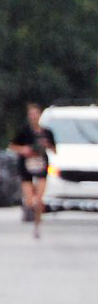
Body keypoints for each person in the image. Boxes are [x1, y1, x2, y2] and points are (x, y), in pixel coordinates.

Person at [9, 102, 56, 238]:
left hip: (41, 165)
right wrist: (24, 150)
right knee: (29, 200)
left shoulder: (47, 132)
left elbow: (55, 150)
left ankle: (37, 223)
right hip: (26, 166)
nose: (33, 117)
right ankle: (29, 211)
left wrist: (46, 145)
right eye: (31, 114)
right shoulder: (24, 131)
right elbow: (13, 146)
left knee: (39, 198)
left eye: (36, 114)